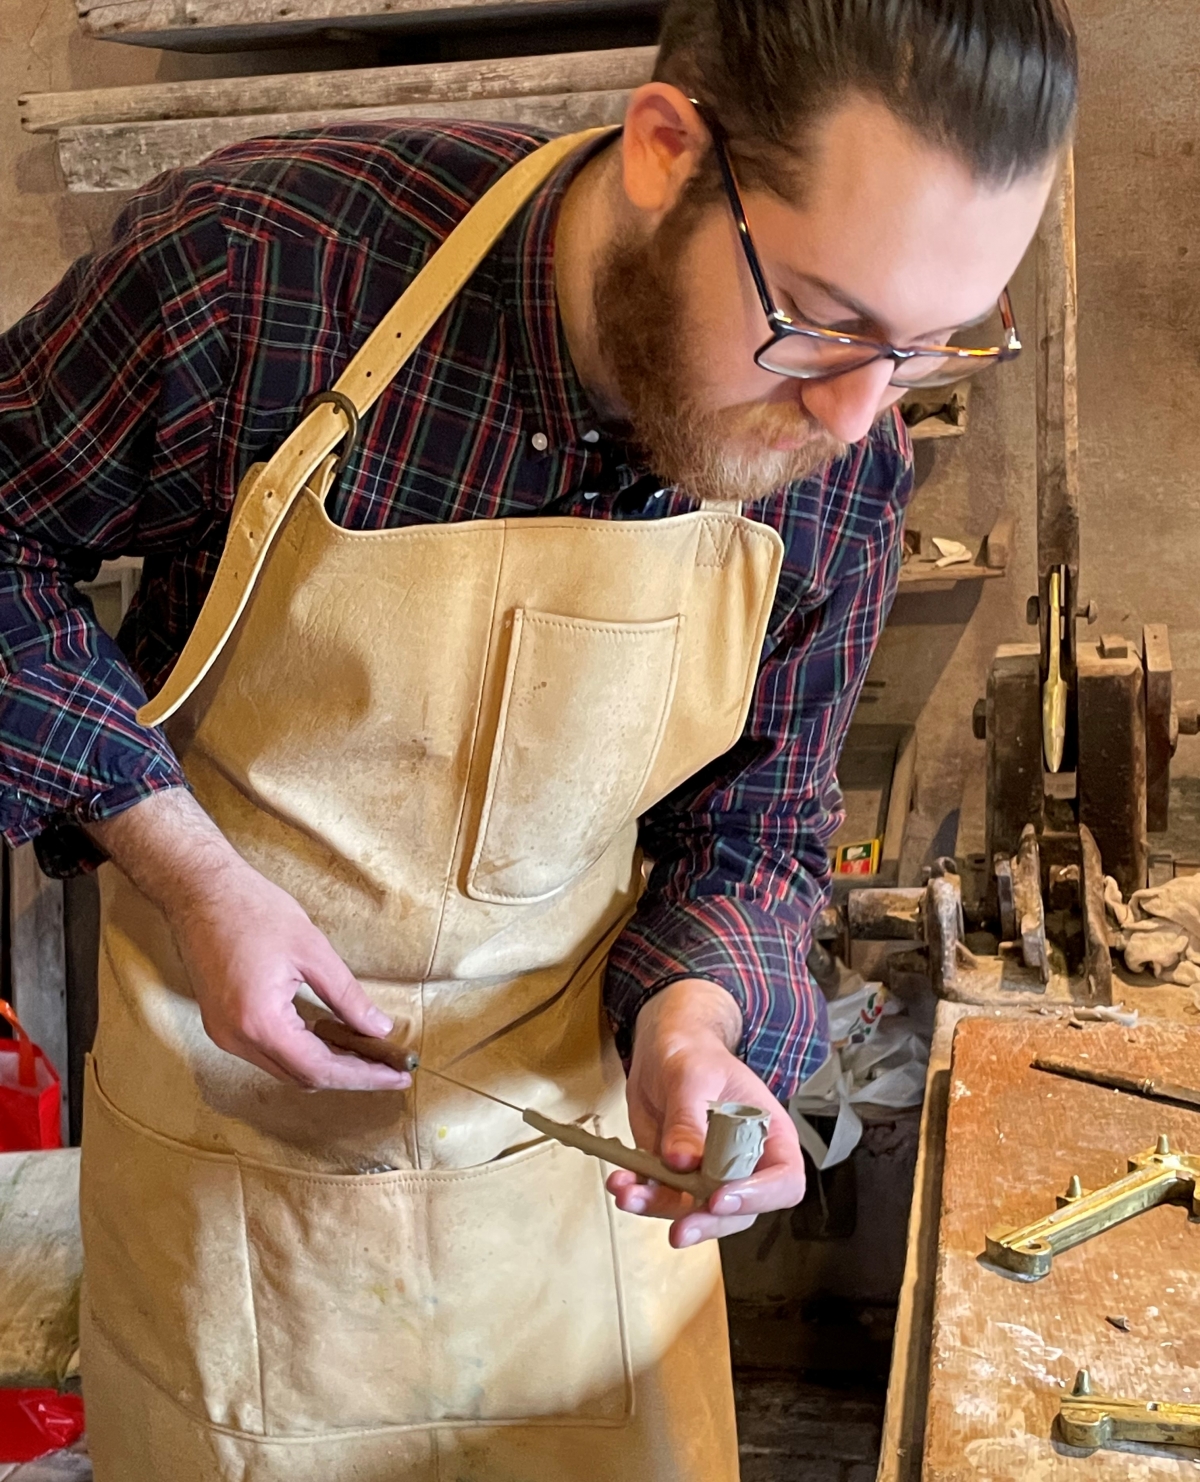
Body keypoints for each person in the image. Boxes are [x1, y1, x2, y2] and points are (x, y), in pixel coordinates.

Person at [0, 0, 1076, 1476]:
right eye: (820, 319)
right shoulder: (260, 274)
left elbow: (755, 829)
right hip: (237, 1208)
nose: (852, 408)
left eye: (933, 347)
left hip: (582, 1225)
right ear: (663, 149)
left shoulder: (842, 461)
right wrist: (188, 868)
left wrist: (698, 1016)